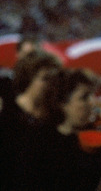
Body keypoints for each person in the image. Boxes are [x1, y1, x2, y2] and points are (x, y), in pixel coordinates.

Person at [0, 49, 62, 189]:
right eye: (45, 79)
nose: (51, 85)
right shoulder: (7, 112)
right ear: (29, 77)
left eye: (54, 80)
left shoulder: (54, 117)